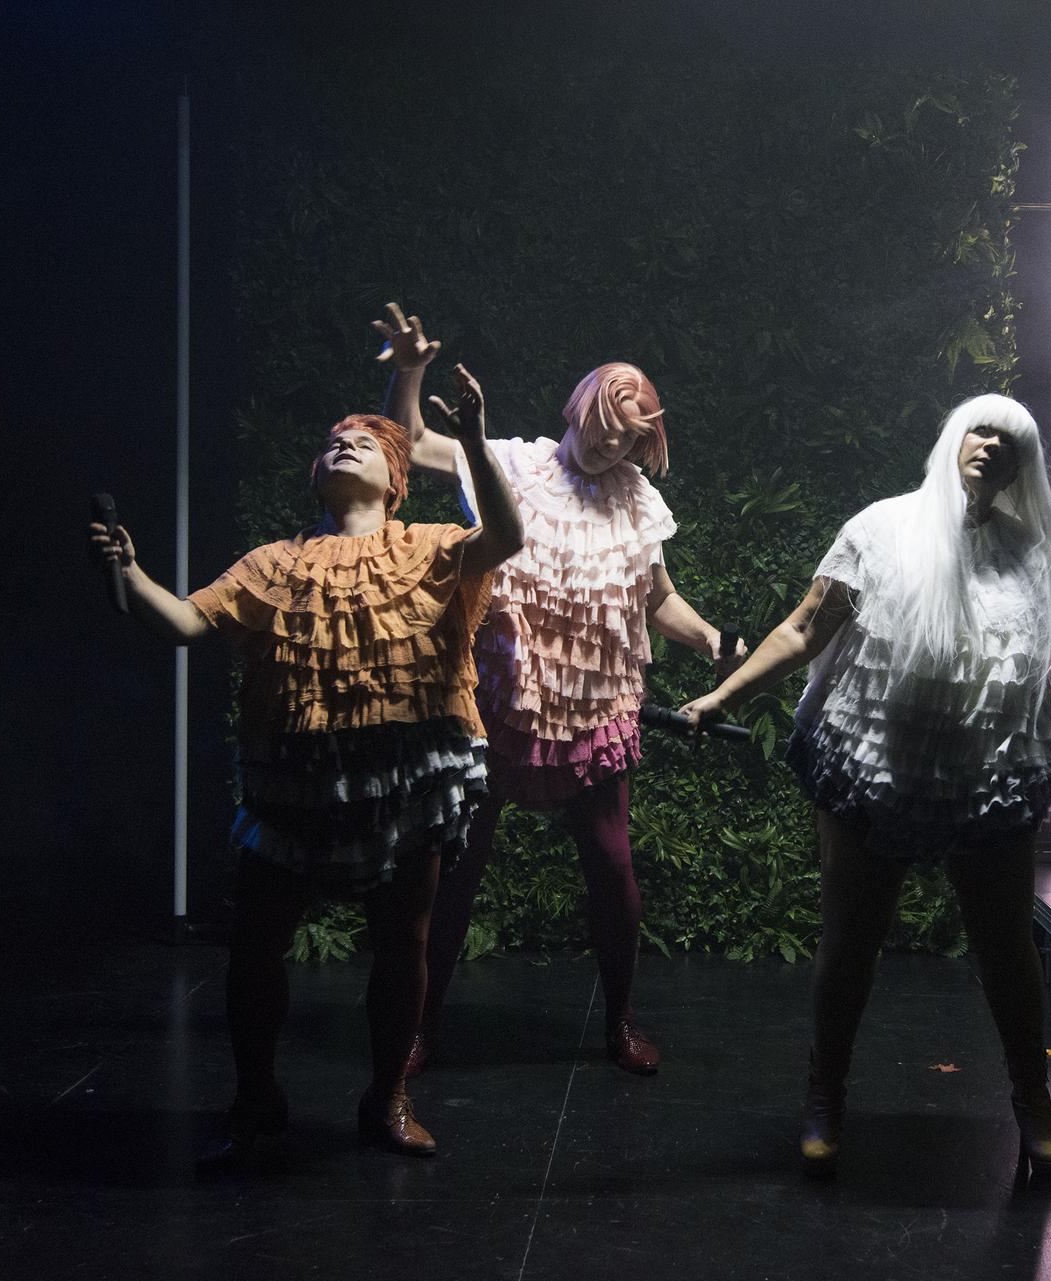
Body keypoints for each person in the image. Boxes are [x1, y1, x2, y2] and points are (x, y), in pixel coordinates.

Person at [678, 393, 1051, 1179]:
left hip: (988, 773)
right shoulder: (879, 530)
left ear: (1022, 465)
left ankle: (1032, 1100)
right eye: (981, 429)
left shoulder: (1032, 554)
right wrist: (722, 696)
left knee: (1006, 947)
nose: (991, 445)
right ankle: (825, 1094)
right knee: (849, 940)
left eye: (1010, 440)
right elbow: (804, 627)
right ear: (954, 439)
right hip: (874, 763)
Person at [87, 367, 523, 1163]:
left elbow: (505, 538)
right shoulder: (270, 563)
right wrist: (131, 570)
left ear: (396, 481)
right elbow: (184, 621)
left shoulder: (431, 546)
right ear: (317, 476)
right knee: (256, 942)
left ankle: (387, 1096)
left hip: (410, 778)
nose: (343, 444)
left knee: (405, 942)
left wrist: (473, 445)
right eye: (332, 443)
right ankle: (256, 1098)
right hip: (294, 779)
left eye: (363, 441)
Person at [373, 305, 745, 1077]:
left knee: (612, 866)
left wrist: (710, 637)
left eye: (631, 436)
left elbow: (658, 599)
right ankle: (418, 1024)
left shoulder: (637, 500)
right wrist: (409, 371)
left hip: (596, 705)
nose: (613, 443)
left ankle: (620, 1019)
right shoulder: (514, 464)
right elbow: (409, 440)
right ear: (581, 407)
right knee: (457, 866)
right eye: (607, 425)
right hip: (500, 701)